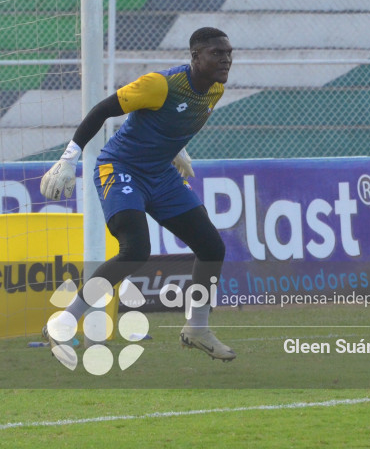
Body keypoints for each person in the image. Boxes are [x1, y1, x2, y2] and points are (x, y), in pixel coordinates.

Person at [40, 26, 236, 361]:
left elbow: (178, 121)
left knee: (211, 246)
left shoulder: (215, 89)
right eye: (217, 53)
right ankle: (64, 320)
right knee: (135, 250)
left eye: (229, 53)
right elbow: (103, 110)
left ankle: (197, 328)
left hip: (160, 173)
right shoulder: (160, 84)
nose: (226, 60)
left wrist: (178, 150)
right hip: (120, 168)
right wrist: (68, 159)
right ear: (194, 56)